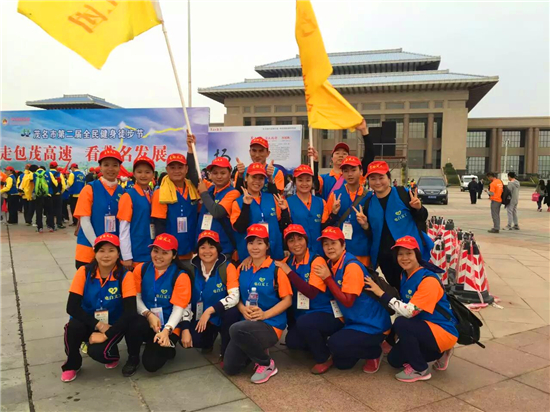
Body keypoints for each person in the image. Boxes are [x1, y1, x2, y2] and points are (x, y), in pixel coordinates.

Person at [365, 235, 458, 382]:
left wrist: (380, 293)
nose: (404, 258)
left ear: (417, 255)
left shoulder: (428, 280)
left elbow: (409, 312)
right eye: (400, 254)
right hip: (423, 327)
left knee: (401, 322)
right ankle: (440, 353)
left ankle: (420, 369)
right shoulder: (405, 275)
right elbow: (404, 304)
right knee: (394, 360)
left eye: (409, 253)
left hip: (441, 329)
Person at [311, 227, 391, 372]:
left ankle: (374, 352)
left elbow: (348, 301)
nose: (329, 247)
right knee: (342, 364)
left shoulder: (351, 266)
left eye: (333, 243)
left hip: (373, 325)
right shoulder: (331, 264)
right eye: (325, 244)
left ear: (343, 245)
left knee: (335, 344)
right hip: (353, 322)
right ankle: (361, 346)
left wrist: (328, 278)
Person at [61, 233, 137, 382]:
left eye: (111, 250)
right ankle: (72, 364)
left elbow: (130, 312)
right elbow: (72, 307)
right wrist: (98, 325)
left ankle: (112, 354)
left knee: (99, 353)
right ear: (95, 253)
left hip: (112, 324)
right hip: (88, 320)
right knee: (73, 327)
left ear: (118, 254)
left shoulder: (125, 275)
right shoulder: (84, 272)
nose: (106, 255)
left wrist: (106, 333)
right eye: (101, 250)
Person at [222, 224, 293, 384]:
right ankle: (256, 350)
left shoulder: (276, 269)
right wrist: (242, 308)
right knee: (230, 368)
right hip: (246, 323)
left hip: (270, 324)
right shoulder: (242, 268)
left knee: (235, 329)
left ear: (267, 246)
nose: (255, 247)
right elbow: (236, 296)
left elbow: (287, 300)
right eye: (251, 243)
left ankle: (266, 364)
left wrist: (264, 314)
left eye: (260, 243)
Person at [275, 224, 342, 374]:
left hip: (327, 312)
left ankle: (324, 357)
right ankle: (320, 340)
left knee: (306, 323)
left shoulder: (316, 260)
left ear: (306, 240)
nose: (296, 244)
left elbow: (311, 293)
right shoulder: (287, 261)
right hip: (305, 314)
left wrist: (289, 272)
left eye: (300, 239)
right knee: (292, 342)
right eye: (291, 240)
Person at [123, 234, 192, 376]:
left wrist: (166, 330)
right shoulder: (141, 269)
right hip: (147, 321)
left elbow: (178, 308)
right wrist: (148, 315)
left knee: (151, 365)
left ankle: (166, 346)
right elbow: (135, 298)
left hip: (169, 325)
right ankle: (133, 358)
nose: (158, 256)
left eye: (165, 253)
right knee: (132, 322)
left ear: (174, 255)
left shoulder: (181, 276)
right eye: (155, 251)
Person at [363, 161, 432, 289]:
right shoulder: (368, 204)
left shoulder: (403, 194)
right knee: (396, 289)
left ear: (389, 178)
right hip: (386, 258)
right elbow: (373, 234)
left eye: (381, 178)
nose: (377, 182)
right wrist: (365, 226)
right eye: (373, 179)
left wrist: (419, 208)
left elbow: (422, 218)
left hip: (409, 254)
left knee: (415, 287)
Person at [178, 230, 240, 360]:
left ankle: (226, 350)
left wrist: (210, 311)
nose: (207, 251)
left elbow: (234, 296)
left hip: (220, 313)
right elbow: (185, 300)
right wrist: (185, 328)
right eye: (203, 247)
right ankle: (208, 338)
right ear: (197, 250)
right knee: (194, 340)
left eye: (211, 247)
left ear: (218, 249)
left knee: (232, 313)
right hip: (199, 315)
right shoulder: (190, 269)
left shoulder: (227, 267)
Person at [186, 134, 241, 260]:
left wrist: (204, 194)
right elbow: (193, 174)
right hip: (203, 247)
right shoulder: (209, 188)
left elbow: (218, 212)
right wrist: (190, 149)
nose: (219, 176)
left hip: (222, 249)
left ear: (229, 174)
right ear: (210, 175)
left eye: (223, 173)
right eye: (215, 173)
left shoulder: (233, 193)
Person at [74, 149, 124, 269]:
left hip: (113, 252)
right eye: (106, 165)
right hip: (89, 250)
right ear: (100, 167)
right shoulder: (89, 189)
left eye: (115, 165)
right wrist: (97, 246)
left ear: (119, 168)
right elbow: (84, 221)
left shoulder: (122, 192)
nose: (110, 169)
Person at [231, 162, 291, 261]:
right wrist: (246, 205)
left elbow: (283, 226)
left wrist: (284, 211)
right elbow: (239, 229)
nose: (257, 181)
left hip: (274, 254)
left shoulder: (272, 198)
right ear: (246, 178)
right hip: (250, 258)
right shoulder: (238, 202)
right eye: (254, 177)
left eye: (261, 178)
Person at [151, 153, 200, 260]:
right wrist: (163, 252)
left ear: (186, 169)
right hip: (170, 253)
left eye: (180, 167)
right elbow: (159, 225)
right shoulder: (160, 193)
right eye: (172, 168)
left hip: (192, 249)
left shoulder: (194, 189)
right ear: (167, 169)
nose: (176, 171)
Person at [325, 156, 372, 266]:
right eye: (346, 171)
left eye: (353, 170)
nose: (350, 174)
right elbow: (327, 225)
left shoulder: (369, 196)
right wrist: (334, 213)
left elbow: (375, 228)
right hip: (340, 251)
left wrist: (365, 224)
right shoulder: (335, 195)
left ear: (361, 171)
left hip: (362, 251)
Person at [314, 119, 372, 200]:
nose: (341, 156)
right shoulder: (323, 179)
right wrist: (315, 162)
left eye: (344, 154)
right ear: (331, 159)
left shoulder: (356, 175)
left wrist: (364, 131)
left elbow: (369, 155)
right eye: (337, 153)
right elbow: (315, 185)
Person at [117, 156, 156, 269]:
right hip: (135, 253)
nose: (143, 175)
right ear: (133, 174)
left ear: (153, 175)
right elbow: (124, 227)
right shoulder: (128, 196)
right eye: (139, 172)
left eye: (147, 172)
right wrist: (126, 256)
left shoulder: (153, 195)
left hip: (152, 252)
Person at [286, 165, 331, 256]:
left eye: (308, 180)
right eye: (300, 180)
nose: (304, 184)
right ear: (294, 182)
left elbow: (325, 227)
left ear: (312, 182)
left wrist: (334, 213)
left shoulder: (321, 202)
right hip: (297, 253)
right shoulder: (287, 203)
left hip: (319, 253)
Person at [48, 161, 67, 230]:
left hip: (49, 195)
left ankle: (50, 224)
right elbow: (64, 185)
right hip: (57, 194)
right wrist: (61, 192)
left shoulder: (46, 173)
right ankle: (59, 223)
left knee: (49, 210)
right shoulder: (59, 174)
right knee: (58, 209)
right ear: (56, 167)